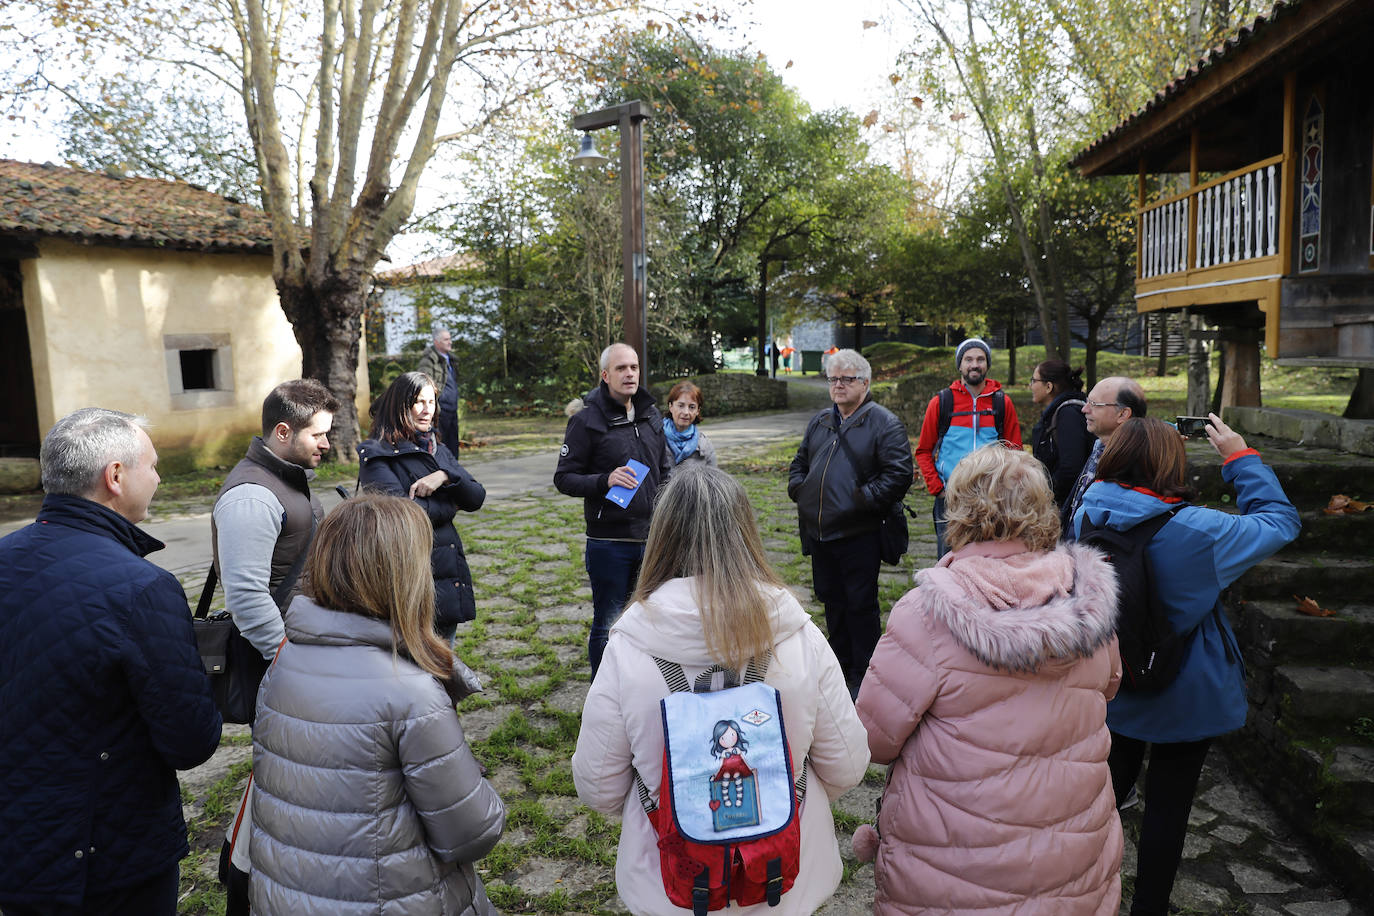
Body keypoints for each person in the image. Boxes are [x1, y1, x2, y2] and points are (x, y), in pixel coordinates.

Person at [572, 465, 871, 914]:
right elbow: (847, 764)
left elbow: (599, 786)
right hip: (784, 879)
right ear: (745, 533)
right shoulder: (796, 635)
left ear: (661, 536)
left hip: (672, 879)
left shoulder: (629, 647)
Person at [854, 445, 1123, 914]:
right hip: (1071, 848)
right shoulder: (1088, 605)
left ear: (959, 511)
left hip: (952, 864)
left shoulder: (925, 615)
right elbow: (1110, 685)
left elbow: (873, 739)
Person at [1073, 416, 1299, 916]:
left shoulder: (1087, 512)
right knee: (1168, 810)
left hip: (1114, 679)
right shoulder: (1201, 531)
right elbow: (1280, 522)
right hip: (1185, 687)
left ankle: (1082, 892)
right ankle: (1149, 906)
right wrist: (1239, 457)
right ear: (1170, 463)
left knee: (1101, 798)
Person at [0, 409, 222, 915]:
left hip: (18, 849)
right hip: (111, 861)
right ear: (116, 476)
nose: (160, 477)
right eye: (153, 465)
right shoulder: (142, 588)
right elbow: (191, 741)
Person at [249, 492, 505, 915]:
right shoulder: (409, 693)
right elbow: (470, 832)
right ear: (404, 575)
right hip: (391, 898)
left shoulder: (285, 661)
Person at [210, 378, 337, 910]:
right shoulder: (250, 495)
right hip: (277, 663)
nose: (328, 444)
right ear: (282, 431)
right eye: (319, 434)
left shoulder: (283, 477)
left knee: (289, 770)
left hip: (297, 657)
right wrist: (289, 658)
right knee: (284, 774)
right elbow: (245, 594)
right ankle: (247, 878)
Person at [788, 348, 912, 697]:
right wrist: (800, 490)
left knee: (860, 605)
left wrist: (860, 502)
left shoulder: (883, 423)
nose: (838, 385)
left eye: (847, 379)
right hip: (820, 533)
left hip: (860, 533)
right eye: (833, 379)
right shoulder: (821, 421)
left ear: (865, 382)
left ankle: (865, 672)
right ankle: (838, 664)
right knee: (831, 600)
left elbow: (899, 475)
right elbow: (800, 462)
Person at [554, 342, 671, 677]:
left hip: (653, 538)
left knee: (650, 623)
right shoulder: (585, 421)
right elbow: (564, 479)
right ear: (605, 375)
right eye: (621, 368)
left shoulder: (651, 415)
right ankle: (604, 702)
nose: (629, 374)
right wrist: (605, 480)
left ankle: (642, 691)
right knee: (608, 623)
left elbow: (665, 468)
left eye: (633, 367)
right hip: (609, 543)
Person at [358, 370, 486, 641]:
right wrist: (451, 504)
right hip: (410, 580)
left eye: (432, 402)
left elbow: (476, 497)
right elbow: (402, 518)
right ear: (400, 405)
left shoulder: (436, 447)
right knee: (415, 672)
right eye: (419, 401)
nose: (428, 410)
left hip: (446, 572)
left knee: (444, 664)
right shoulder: (377, 455)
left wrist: (445, 476)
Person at [914, 337, 1022, 558]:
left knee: (990, 561)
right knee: (949, 560)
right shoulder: (942, 402)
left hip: (993, 500)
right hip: (951, 499)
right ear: (960, 365)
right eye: (969, 359)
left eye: (981, 359)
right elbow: (923, 451)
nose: (975, 364)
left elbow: (1015, 452)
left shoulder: (1002, 403)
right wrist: (938, 489)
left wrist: (1006, 490)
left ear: (987, 365)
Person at [1061, 375, 1147, 538]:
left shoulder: (1135, 462)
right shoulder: (1101, 447)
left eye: (1094, 404)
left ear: (1123, 414)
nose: (1084, 409)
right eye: (1087, 401)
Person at [1027, 359, 1091, 527]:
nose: (1031, 386)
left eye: (1034, 381)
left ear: (1049, 387)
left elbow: (1071, 468)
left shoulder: (1068, 415)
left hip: (1066, 509)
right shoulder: (1058, 413)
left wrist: (1044, 496)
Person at [418, 326, 461, 449]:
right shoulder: (428, 361)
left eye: (450, 339)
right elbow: (423, 386)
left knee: (453, 447)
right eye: (446, 340)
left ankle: (453, 468)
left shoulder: (452, 360)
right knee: (441, 447)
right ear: (436, 342)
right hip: (440, 412)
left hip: (453, 410)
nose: (450, 342)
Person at [662, 380, 718, 466]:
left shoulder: (705, 445)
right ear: (671, 406)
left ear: (697, 411)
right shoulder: (656, 439)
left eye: (692, 407)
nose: (686, 412)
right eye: (681, 406)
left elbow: (713, 477)